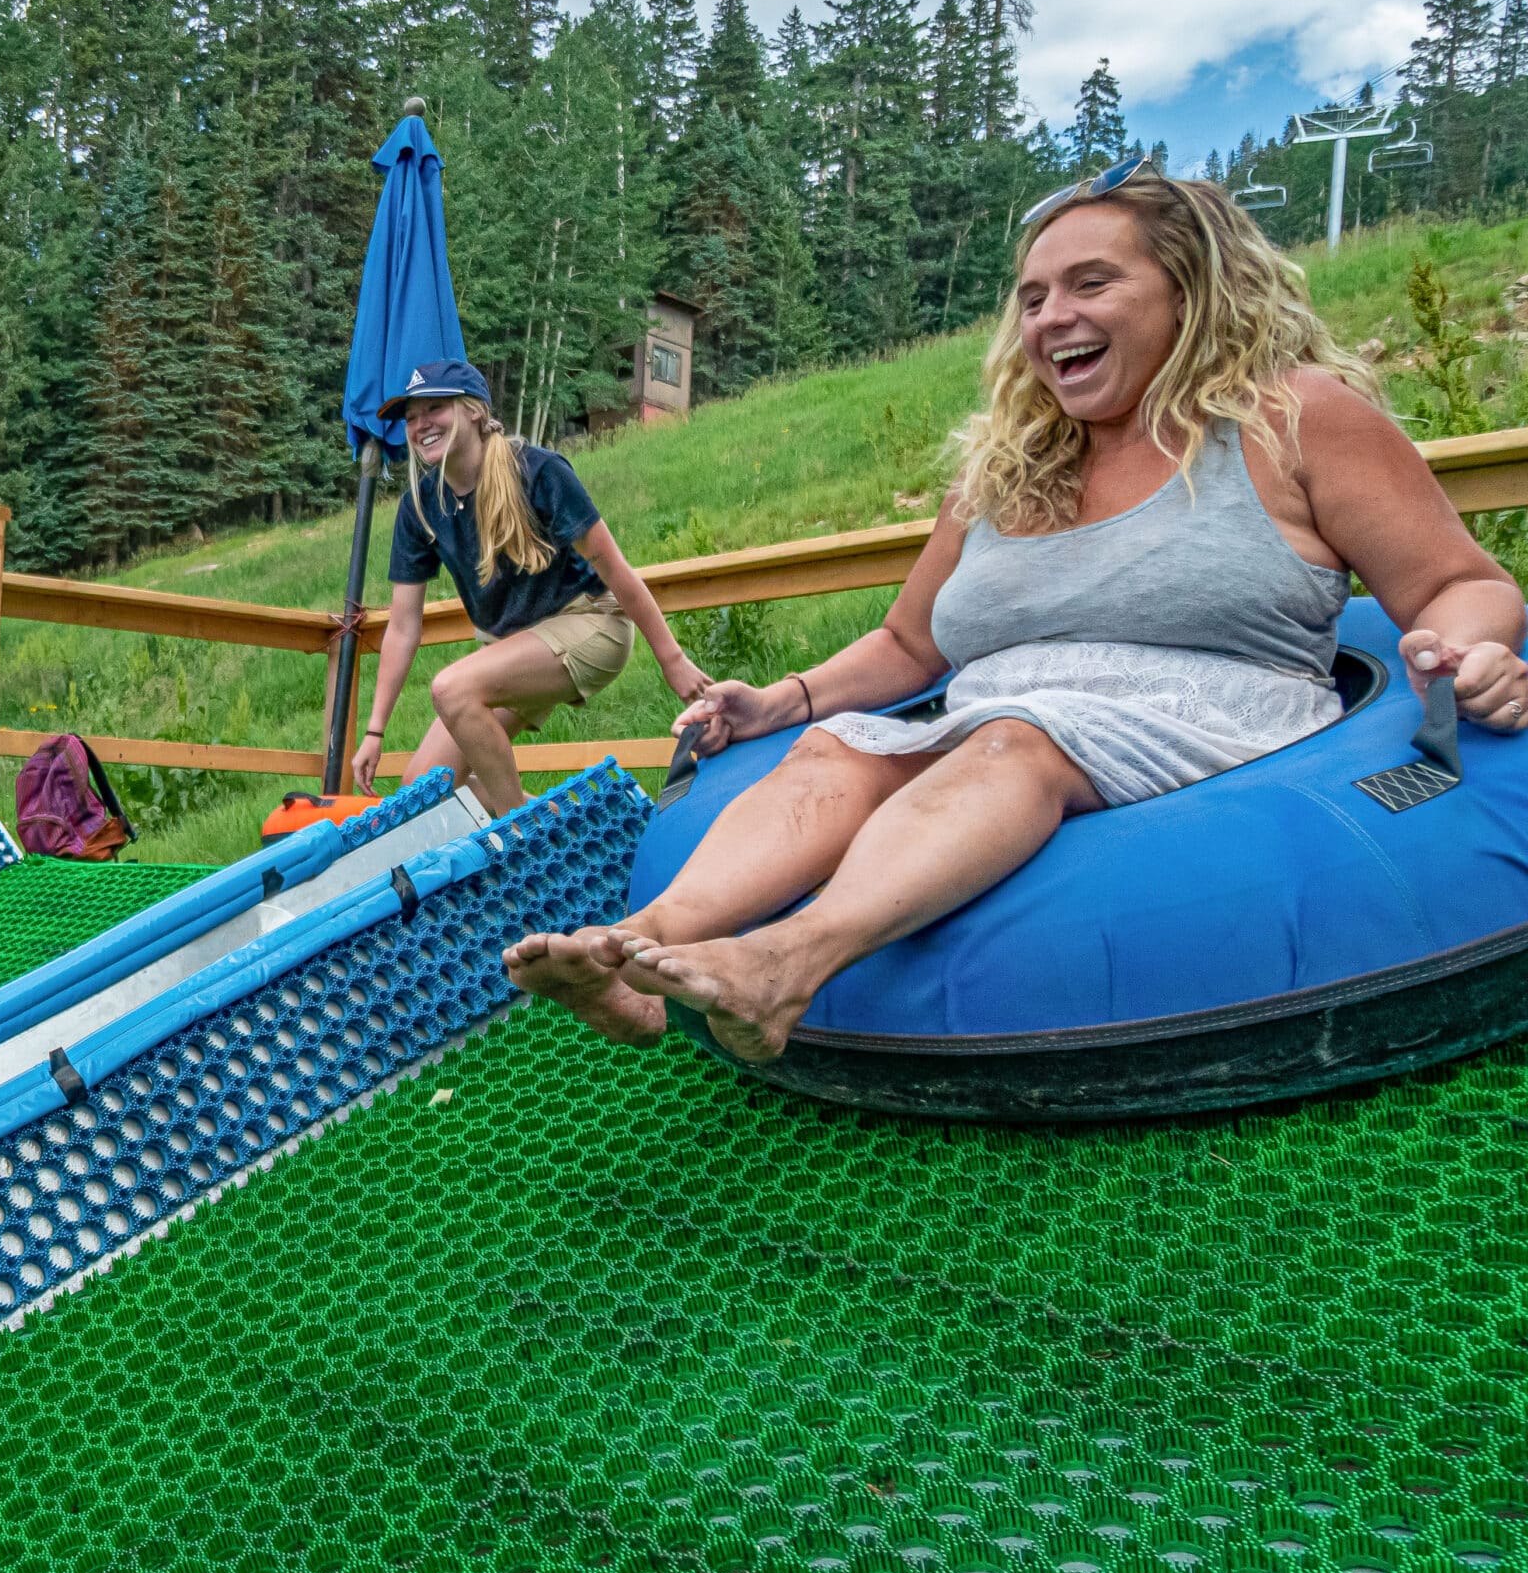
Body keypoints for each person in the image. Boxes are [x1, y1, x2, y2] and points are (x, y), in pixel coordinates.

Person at [506, 155, 1528, 1062]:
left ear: (1188, 291)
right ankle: (646, 943)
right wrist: (787, 700)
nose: (1050, 318)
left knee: (1011, 740)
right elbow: (911, 644)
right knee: (838, 752)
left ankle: (785, 964)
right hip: (994, 717)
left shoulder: (1292, 416)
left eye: (1091, 283)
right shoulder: (1006, 469)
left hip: (1210, 720)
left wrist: (1469, 648)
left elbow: (1458, 584)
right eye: (1032, 298)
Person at [350, 359, 712, 812]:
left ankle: (516, 832)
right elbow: (403, 628)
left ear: (474, 412)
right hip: (513, 645)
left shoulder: (537, 472)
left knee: (452, 688)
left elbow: (616, 571)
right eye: (411, 417)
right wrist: (374, 731)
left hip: (589, 623)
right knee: (425, 792)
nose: (421, 424)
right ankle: (564, 829)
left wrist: (672, 660)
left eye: (435, 409)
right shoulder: (420, 508)